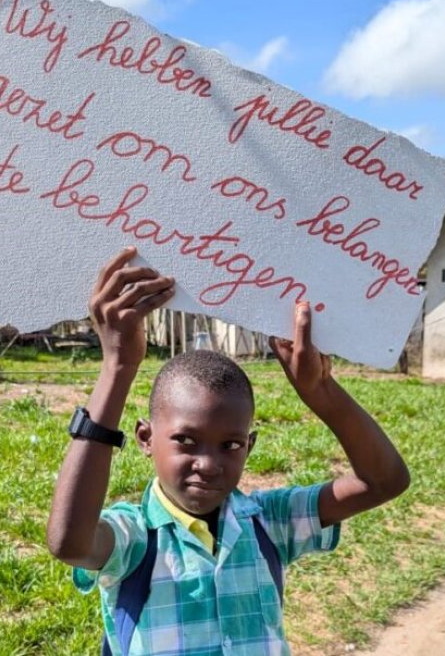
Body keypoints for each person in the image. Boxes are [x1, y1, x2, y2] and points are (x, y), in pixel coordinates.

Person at [46, 247, 410, 655]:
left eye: (230, 445)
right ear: (146, 438)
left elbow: (385, 481)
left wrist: (321, 391)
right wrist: (117, 366)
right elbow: (70, 543)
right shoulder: (134, 538)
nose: (208, 463)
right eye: (185, 441)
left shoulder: (269, 524)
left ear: (249, 446)